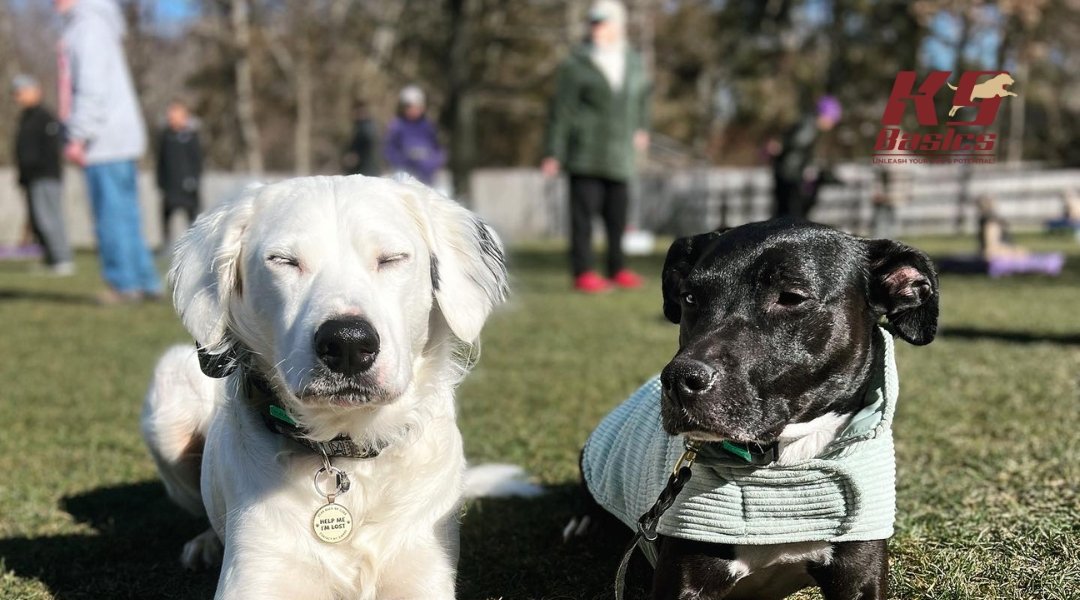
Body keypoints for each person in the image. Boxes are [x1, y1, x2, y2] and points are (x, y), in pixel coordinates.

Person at [541, 0, 650, 293]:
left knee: (617, 216)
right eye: (593, 22)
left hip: (620, 155)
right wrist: (553, 151)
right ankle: (584, 271)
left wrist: (642, 127)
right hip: (585, 152)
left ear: (618, 25)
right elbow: (561, 111)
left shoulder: (633, 61)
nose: (596, 28)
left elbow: (641, 99)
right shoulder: (575, 64)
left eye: (602, 22)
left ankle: (617, 268)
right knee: (583, 217)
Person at [57, 0, 161, 303]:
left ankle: (123, 284)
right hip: (118, 138)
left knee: (110, 216)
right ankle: (145, 281)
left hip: (103, 140)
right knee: (126, 215)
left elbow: (91, 87)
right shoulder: (99, 23)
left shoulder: (87, 27)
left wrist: (77, 135)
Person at [12, 74, 73, 275]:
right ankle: (51, 258)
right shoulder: (26, 117)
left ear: (34, 91)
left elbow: (49, 151)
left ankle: (63, 259)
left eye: (21, 92)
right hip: (32, 177)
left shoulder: (44, 118)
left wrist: (38, 170)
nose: (17, 97)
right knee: (39, 220)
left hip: (45, 176)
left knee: (50, 218)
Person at [772, 95, 841, 220]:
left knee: (784, 214)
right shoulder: (808, 128)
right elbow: (794, 147)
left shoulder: (808, 125)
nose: (832, 124)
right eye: (832, 119)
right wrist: (803, 173)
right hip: (790, 175)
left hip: (787, 173)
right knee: (789, 215)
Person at [156, 99, 203, 252]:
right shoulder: (166, 137)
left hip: (188, 187)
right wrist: (160, 182)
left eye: (175, 115)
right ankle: (167, 246)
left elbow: (198, 160)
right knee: (166, 216)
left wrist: (193, 179)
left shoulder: (191, 136)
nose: (171, 118)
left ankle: (193, 247)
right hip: (170, 187)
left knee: (192, 217)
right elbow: (161, 161)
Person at [382, 86, 445, 185]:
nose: (413, 110)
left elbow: (437, 149)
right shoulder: (397, 126)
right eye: (409, 107)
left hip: (426, 176)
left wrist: (431, 163)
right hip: (404, 174)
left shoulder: (428, 126)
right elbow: (390, 149)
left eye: (417, 107)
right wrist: (403, 162)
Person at [343, 100, 380, 176]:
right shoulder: (358, 127)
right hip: (361, 171)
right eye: (357, 112)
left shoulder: (367, 128)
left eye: (361, 112)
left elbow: (367, 145)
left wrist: (355, 155)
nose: (359, 114)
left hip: (367, 171)